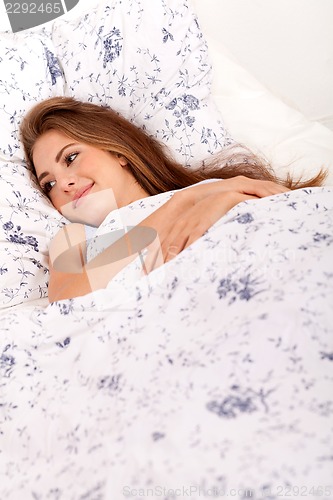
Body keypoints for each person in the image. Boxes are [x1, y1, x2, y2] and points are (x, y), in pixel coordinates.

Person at [20, 97, 326, 302]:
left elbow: (296, 216)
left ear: (117, 151)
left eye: (71, 157)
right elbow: (66, 297)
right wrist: (185, 202)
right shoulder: (75, 238)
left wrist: (220, 197)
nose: (65, 184)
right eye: (48, 184)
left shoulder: (222, 188)